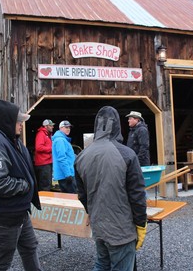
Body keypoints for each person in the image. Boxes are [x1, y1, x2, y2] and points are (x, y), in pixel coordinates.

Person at [75, 106, 147, 270]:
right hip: (121, 229)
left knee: (102, 264)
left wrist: (92, 213)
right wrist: (141, 224)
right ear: (117, 126)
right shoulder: (127, 154)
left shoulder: (81, 157)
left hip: (99, 225)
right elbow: (137, 196)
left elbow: (82, 195)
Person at [0, 99, 42, 271]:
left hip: (18, 212)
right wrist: (25, 186)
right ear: (7, 121)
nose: (21, 124)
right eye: (18, 121)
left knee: (29, 248)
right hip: (3, 217)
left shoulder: (10, 139)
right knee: (1, 263)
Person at [52, 120, 77, 193]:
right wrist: (68, 174)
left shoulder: (62, 139)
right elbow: (61, 158)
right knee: (73, 199)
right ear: (60, 128)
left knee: (67, 199)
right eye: (66, 127)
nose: (68, 129)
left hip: (64, 174)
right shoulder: (60, 140)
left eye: (69, 127)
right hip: (66, 175)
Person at [34, 119, 55, 191]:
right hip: (43, 164)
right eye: (50, 125)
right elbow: (38, 147)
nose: (52, 127)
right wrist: (51, 148)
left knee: (47, 184)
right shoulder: (41, 134)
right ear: (46, 126)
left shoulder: (48, 135)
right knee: (45, 186)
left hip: (47, 162)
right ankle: (43, 201)